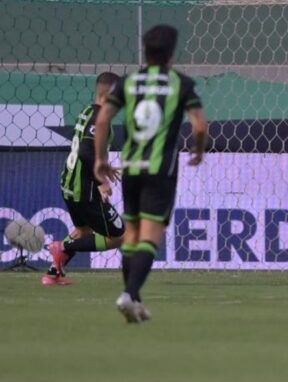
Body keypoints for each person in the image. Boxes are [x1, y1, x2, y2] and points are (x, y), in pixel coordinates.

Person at [93, 24, 208, 323]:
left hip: (131, 167)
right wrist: (198, 150)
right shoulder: (181, 83)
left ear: (145, 51)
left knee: (131, 235)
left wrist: (100, 159)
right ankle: (129, 294)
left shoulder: (129, 82)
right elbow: (199, 126)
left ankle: (135, 301)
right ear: (172, 54)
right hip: (160, 171)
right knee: (150, 237)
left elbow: (102, 119)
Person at [45, 72, 124, 286]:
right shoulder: (101, 118)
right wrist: (102, 181)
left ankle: (53, 273)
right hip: (84, 189)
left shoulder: (87, 111)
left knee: (83, 230)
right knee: (118, 236)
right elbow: (86, 151)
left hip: (69, 183)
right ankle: (62, 247)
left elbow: (85, 148)